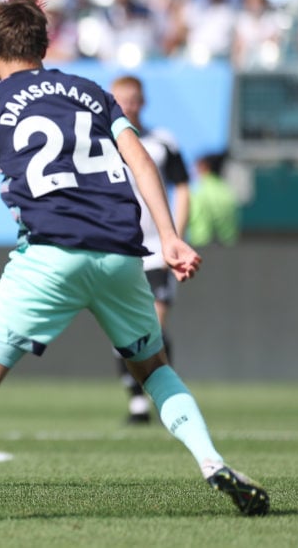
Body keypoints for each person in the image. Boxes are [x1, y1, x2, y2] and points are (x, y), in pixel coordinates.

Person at [0, 0, 269, 521]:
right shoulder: (91, 93)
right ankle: (212, 461)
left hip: (50, 254)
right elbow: (140, 158)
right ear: (45, 44)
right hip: (123, 255)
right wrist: (168, 236)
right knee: (154, 369)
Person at [110, 74, 190, 424]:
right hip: (118, 249)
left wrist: (176, 236)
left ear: (143, 102)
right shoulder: (98, 143)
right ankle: (135, 399)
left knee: (152, 326)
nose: (127, 106)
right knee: (123, 330)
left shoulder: (161, 142)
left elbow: (183, 188)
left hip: (156, 249)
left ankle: (162, 393)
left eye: (133, 99)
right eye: (120, 99)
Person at [188, 152, 240, 247]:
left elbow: (191, 217)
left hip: (201, 248)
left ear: (204, 167)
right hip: (228, 248)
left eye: (197, 166)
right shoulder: (228, 191)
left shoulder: (198, 191)